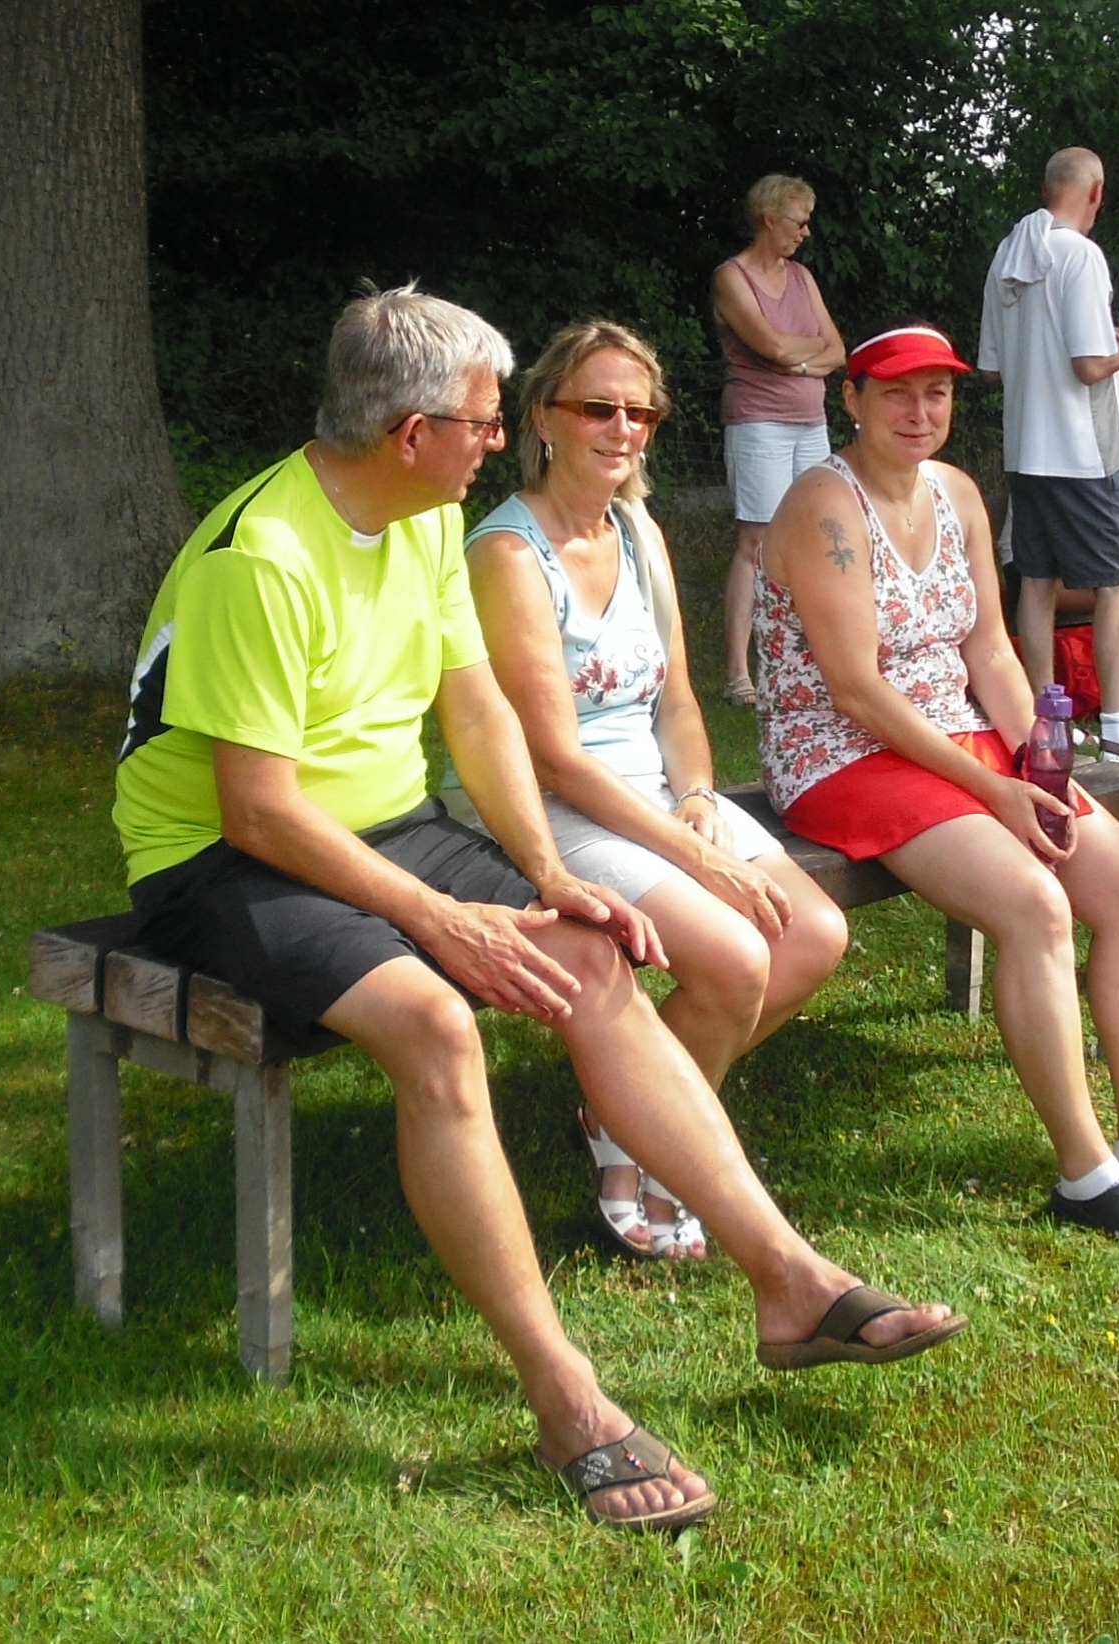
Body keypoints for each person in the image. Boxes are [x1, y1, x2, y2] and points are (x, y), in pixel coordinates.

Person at [112, 285, 963, 1532]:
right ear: (411, 432)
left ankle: (787, 1282)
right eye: (476, 420)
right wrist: (439, 918)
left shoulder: (415, 518)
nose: (494, 440)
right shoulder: (265, 557)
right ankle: (566, 1397)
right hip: (222, 861)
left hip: (379, 824)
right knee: (436, 1029)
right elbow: (256, 813)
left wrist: (550, 876)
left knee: (596, 959)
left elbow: (474, 712)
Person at [756, 320, 1119, 1246]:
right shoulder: (824, 506)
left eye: (936, 393)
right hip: (840, 753)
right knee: (1034, 904)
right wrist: (993, 790)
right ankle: (1084, 1172)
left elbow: (987, 645)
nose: (919, 411)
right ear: (850, 399)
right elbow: (855, 689)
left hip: (959, 736)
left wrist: (1037, 767)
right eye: (896, 392)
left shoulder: (957, 492)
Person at [449, 319, 849, 1261]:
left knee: (816, 935)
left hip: (659, 797)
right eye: (599, 408)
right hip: (554, 808)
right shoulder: (507, 555)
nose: (623, 428)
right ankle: (651, 1156)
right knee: (735, 959)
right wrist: (698, 854)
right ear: (544, 416)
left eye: (642, 412)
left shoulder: (638, 529)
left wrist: (702, 795)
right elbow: (552, 757)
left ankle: (622, 1113)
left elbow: (676, 701)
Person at [978, 147, 1119, 763]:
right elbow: (1089, 368)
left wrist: (1098, 343)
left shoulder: (1009, 255)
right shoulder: (1080, 255)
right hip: (1085, 455)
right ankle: (1117, 729)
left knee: (1037, 582)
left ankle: (1045, 725)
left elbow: (994, 369)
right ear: (1096, 193)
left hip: (1025, 449)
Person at [713, 174, 847, 703]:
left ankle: (808, 656)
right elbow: (768, 346)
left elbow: (837, 350)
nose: (805, 232)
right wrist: (799, 351)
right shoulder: (732, 277)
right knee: (756, 543)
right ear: (770, 219)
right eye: (798, 221)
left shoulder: (802, 278)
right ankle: (736, 673)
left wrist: (802, 354)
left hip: (810, 423)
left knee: (814, 536)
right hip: (758, 422)